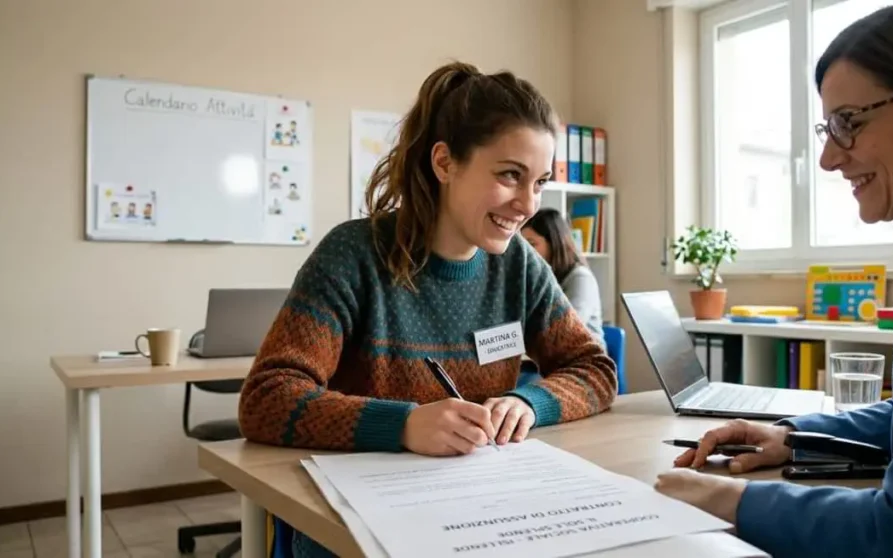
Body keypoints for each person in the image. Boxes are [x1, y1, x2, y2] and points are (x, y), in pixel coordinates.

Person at [655, 1, 893, 556]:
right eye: (828, 127)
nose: (826, 158)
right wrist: (793, 436)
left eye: (849, 122)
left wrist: (726, 499)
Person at [237, 61, 617, 557]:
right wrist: (404, 425)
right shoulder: (352, 255)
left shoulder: (518, 263)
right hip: (358, 522)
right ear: (445, 163)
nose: (527, 204)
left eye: (540, 182)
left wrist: (529, 403)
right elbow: (266, 399)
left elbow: (594, 368)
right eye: (509, 175)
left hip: (479, 512)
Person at [520, 208, 605, 347]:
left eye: (532, 244)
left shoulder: (580, 278)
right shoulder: (538, 277)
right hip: (546, 358)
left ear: (554, 243)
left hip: (584, 359)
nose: (526, 252)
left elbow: (567, 330)